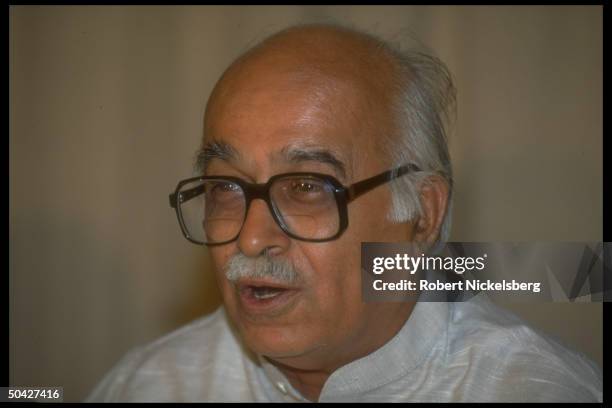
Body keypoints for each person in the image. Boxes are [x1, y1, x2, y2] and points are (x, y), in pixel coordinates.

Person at [86, 24, 602, 402]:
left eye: (307, 186)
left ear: (422, 216)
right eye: (225, 187)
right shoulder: (151, 385)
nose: (249, 241)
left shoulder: (536, 389)